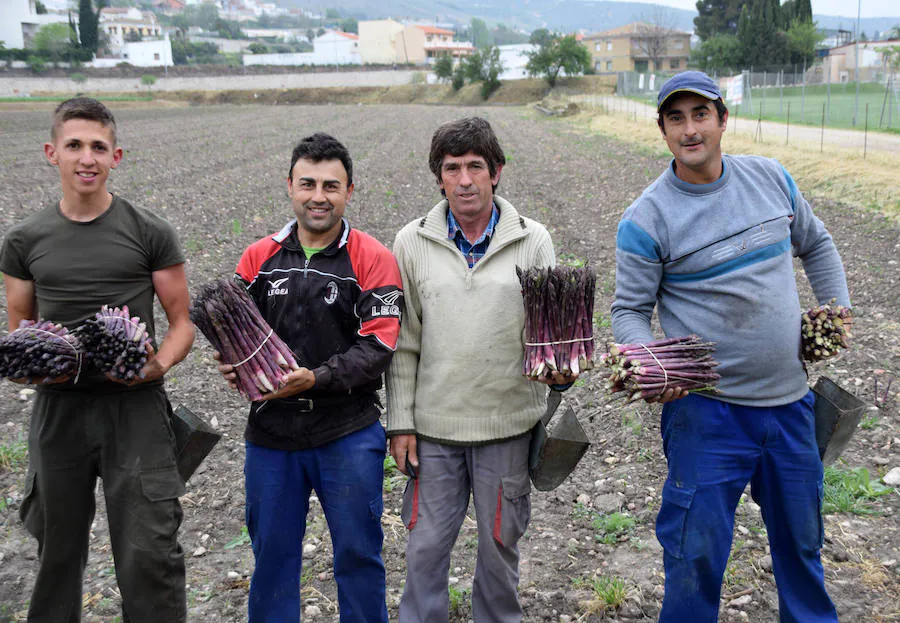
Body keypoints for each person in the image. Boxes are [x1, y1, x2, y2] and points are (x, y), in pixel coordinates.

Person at [610, 71, 849, 622]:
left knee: (802, 548)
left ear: (723, 119)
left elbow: (816, 242)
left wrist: (835, 311)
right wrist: (649, 362)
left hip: (791, 406)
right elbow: (628, 311)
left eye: (701, 115)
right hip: (707, 416)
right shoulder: (646, 218)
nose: (690, 129)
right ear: (663, 130)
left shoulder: (771, 180)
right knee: (695, 555)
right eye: (677, 118)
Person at [0, 97, 195, 621]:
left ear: (116, 156)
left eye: (98, 147)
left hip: (134, 409)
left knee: (149, 552)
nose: (87, 158)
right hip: (58, 412)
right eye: (74, 145)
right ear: (51, 152)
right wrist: (41, 362)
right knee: (55, 552)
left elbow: (182, 323)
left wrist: (155, 366)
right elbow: (20, 327)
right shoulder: (24, 240)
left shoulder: (148, 231)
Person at [385, 116, 573, 623]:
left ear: (496, 172)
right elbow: (403, 344)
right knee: (424, 550)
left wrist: (561, 371)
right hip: (434, 432)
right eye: (452, 169)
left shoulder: (533, 240)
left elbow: (549, 336)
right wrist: (400, 422)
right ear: (439, 177)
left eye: (475, 167)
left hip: (507, 427)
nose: (464, 179)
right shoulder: (411, 242)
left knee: (498, 552)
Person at [215, 132, 402, 622]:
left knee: (358, 555)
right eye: (308, 184)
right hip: (271, 435)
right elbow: (230, 333)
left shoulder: (372, 257)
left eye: (331, 186)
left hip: (348, 433)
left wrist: (315, 379)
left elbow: (379, 346)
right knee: (272, 558)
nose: (319, 196)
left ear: (349, 191)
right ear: (290, 186)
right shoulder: (258, 257)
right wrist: (233, 363)